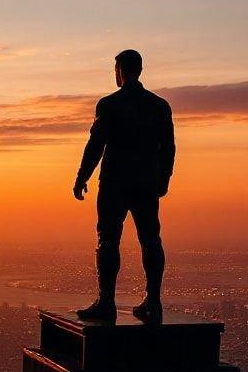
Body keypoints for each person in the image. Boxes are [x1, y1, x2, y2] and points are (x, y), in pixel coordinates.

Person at [72, 49, 175, 324]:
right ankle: (153, 301)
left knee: (108, 240)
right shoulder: (159, 106)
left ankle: (106, 302)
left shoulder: (109, 105)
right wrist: (163, 179)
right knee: (151, 240)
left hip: (115, 183)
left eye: (115, 69)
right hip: (146, 183)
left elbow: (96, 145)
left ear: (121, 71)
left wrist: (82, 176)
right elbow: (169, 148)